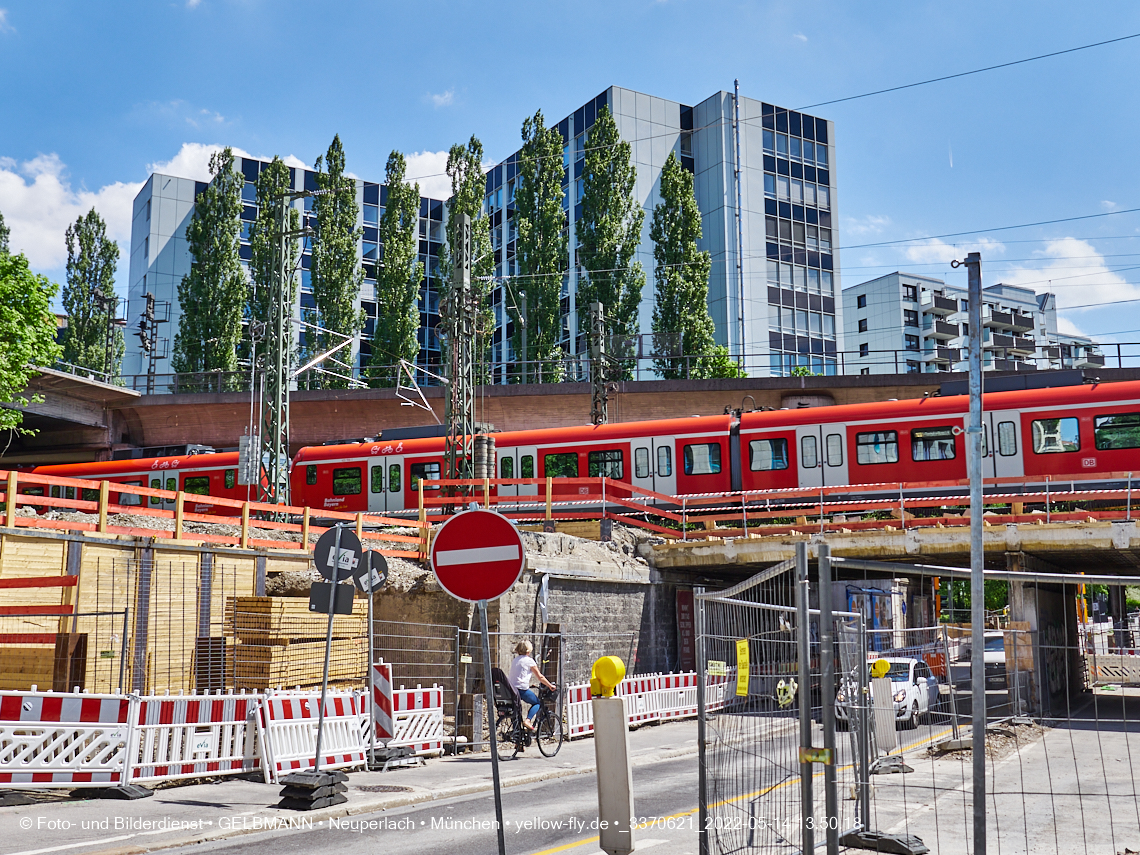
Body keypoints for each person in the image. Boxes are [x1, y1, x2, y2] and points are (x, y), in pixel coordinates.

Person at [508, 640, 556, 730]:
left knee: (515, 712)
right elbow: (540, 677)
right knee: (537, 703)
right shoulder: (529, 661)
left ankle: (517, 737)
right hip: (521, 689)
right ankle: (528, 720)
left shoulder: (515, 660)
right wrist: (550, 685)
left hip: (511, 689)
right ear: (528, 651)